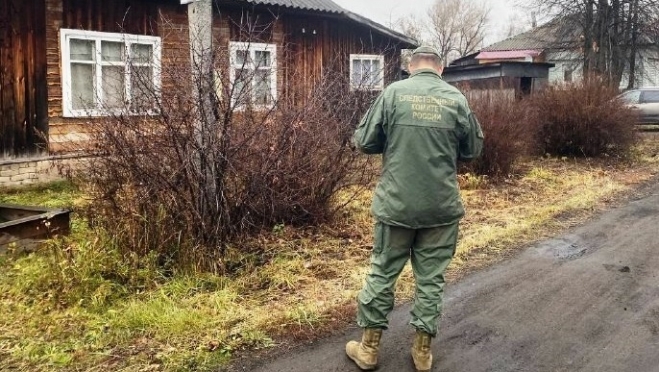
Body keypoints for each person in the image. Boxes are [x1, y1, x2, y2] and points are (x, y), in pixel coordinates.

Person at [346, 46, 484, 372]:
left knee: (383, 272)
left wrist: (392, 140)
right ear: (441, 69)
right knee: (431, 279)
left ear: (410, 67)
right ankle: (422, 354)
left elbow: (364, 141)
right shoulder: (456, 99)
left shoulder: (394, 93)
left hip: (396, 205)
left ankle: (368, 350)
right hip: (440, 208)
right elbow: (474, 148)